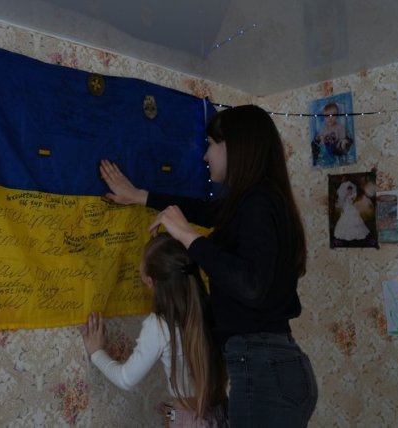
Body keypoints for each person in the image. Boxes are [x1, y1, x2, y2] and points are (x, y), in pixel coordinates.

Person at [98, 105, 318, 427]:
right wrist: (141, 196)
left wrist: (188, 236)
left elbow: (250, 285)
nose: (205, 155)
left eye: (211, 144)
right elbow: (205, 211)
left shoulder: (259, 202)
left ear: (235, 146)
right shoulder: (253, 202)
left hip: (265, 370)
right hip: (272, 366)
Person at [82, 233, 228, 427]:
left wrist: (96, 352)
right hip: (222, 414)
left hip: (187, 419)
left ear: (149, 281)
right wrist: (172, 415)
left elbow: (126, 379)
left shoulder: (160, 325)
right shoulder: (211, 310)